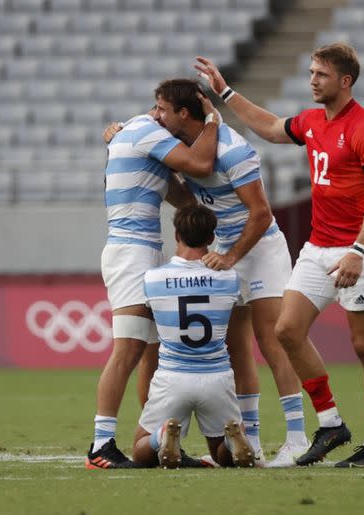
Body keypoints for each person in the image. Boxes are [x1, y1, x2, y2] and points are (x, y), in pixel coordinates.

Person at [195, 42, 364, 468]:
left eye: (320, 74)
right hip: (318, 247)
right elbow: (269, 126)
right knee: (286, 330)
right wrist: (225, 92)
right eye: (310, 72)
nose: (312, 81)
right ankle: (330, 423)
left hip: (361, 250)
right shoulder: (312, 122)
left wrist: (358, 251)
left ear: (344, 81)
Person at [103, 79, 310, 467]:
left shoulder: (232, 150)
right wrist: (123, 137)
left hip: (259, 248)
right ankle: (252, 441)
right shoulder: (184, 147)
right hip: (224, 250)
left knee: (273, 341)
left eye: (161, 108)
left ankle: (297, 438)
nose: (155, 115)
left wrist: (231, 257)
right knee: (235, 351)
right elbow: (180, 192)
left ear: (184, 113)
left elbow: (262, 213)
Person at [85, 95, 220, 469]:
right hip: (130, 252)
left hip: (143, 251)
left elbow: (182, 198)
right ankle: (100, 445)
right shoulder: (145, 130)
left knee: (154, 353)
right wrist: (212, 122)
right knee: (127, 350)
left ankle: (158, 439)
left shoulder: (139, 137)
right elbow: (199, 163)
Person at [132, 204, 255, 468]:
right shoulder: (231, 279)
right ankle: (234, 442)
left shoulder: (153, 279)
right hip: (217, 377)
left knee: (141, 448)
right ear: (211, 238)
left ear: (177, 234)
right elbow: (239, 336)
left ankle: (161, 437)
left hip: (173, 376)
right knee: (221, 452)